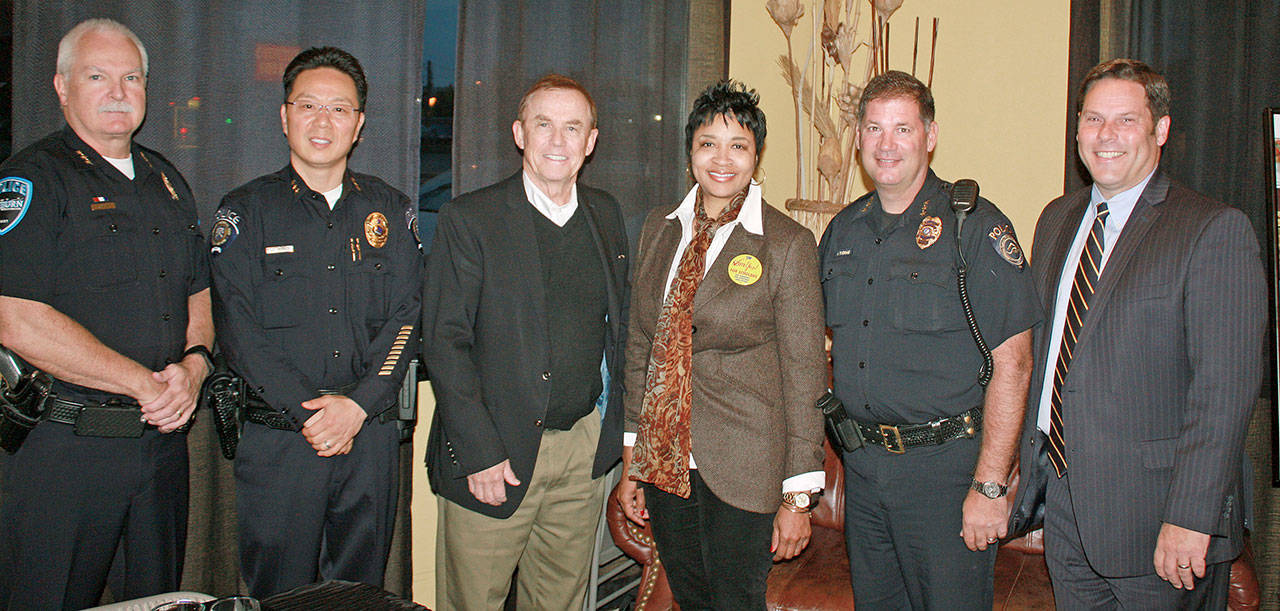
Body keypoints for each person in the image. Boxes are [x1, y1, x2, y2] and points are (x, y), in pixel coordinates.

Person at [1008, 58, 1264, 609]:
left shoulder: (1212, 229)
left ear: (1161, 129)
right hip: (1068, 512)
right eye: (1093, 119)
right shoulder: (1055, 220)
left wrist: (1190, 517)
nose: (1106, 136)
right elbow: (1048, 357)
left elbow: (1224, 394)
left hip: (1161, 524)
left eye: (1125, 120)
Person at [0, 19, 211, 608]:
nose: (118, 91)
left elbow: (198, 294)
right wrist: (142, 384)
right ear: (62, 87)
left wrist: (194, 368)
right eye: (98, 76)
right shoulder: (32, 180)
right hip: (67, 453)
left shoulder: (168, 180)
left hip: (161, 451)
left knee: (157, 601)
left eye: (131, 77)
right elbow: (15, 317)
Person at [818, 70, 1039, 609]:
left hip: (945, 475)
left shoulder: (976, 228)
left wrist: (989, 488)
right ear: (859, 139)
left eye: (902, 129)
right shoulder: (842, 232)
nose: (886, 145)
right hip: (864, 470)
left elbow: (1015, 365)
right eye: (873, 129)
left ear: (930, 136)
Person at [210, 46, 423, 598]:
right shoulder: (245, 211)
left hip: (368, 440)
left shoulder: (390, 210)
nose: (323, 121)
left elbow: (407, 317)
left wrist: (357, 406)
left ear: (359, 125)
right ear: (284, 117)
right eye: (308, 106)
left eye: (339, 109)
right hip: (281, 443)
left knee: (359, 595)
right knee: (277, 595)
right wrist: (313, 417)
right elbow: (237, 330)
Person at [613, 79, 827, 610]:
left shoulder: (786, 244)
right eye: (709, 143)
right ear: (691, 153)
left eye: (739, 145)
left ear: (756, 155)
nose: (723, 159)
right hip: (666, 460)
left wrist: (798, 497)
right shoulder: (658, 233)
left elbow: (806, 377)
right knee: (690, 596)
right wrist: (633, 457)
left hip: (746, 465)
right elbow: (642, 346)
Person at [423, 74, 629, 610]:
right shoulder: (470, 218)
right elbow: (444, 342)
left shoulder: (605, 215)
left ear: (591, 141)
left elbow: (621, 331)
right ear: (519, 134)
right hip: (495, 458)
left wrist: (614, 441)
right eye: (543, 125)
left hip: (581, 454)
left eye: (572, 127)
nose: (557, 141)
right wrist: (479, 453)